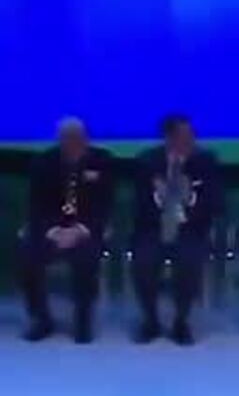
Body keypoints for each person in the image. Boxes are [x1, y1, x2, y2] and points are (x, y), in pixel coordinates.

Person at [130, 113, 223, 345]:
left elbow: (216, 204)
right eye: (183, 136)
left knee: (189, 259)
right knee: (143, 260)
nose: (190, 140)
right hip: (153, 227)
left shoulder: (206, 161)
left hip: (191, 228)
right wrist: (159, 200)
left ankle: (181, 321)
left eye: (191, 135)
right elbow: (139, 205)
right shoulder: (147, 161)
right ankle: (150, 320)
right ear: (168, 138)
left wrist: (190, 198)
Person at [19, 116, 113, 343]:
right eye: (67, 138)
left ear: (86, 139)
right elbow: (36, 206)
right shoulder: (43, 163)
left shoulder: (102, 161)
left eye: (77, 138)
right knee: (26, 255)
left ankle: (82, 321)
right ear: (60, 140)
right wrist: (53, 231)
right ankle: (41, 319)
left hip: (86, 229)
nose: (72, 143)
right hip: (51, 229)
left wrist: (79, 230)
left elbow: (105, 204)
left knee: (87, 258)